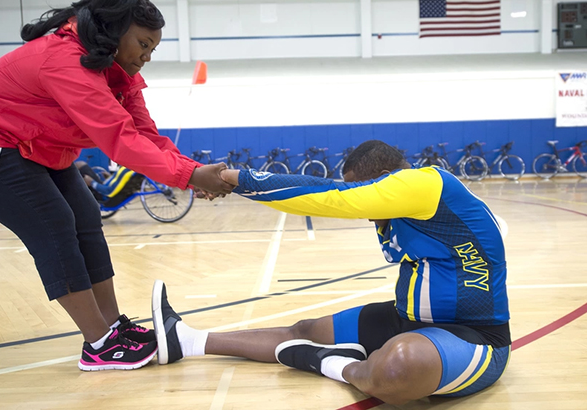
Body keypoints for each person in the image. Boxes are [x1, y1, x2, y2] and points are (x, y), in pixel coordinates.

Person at [0, 0, 233, 372]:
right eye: (143, 44)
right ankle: (99, 344)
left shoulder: (121, 73)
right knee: (52, 222)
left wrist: (193, 170)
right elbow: (119, 139)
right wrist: (188, 177)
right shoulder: (65, 60)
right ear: (115, 33)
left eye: (153, 48)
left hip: (32, 142)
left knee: (85, 213)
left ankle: (113, 327)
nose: (147, 56)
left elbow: (145, 135)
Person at [152, 140, 511, 405]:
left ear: (387, 180)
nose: (365, 207)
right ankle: (187, 340)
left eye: (362, 187)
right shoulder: (406, 209)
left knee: (400, 365)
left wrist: (235, 178)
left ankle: (331, 364)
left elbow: (332, 196)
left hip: (475, 335)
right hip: (406, 319)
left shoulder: (424, 184)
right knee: (305, 329)